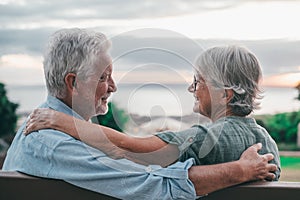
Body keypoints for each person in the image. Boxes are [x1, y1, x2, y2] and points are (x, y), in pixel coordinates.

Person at [3, 28, 277, 200]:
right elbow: (152, 186)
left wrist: (64, 122)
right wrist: (239, 170)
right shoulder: (55, 143)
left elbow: (138, 152)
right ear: (73, 83)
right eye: (104, 77)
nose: (114, 87)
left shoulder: (45, 131)